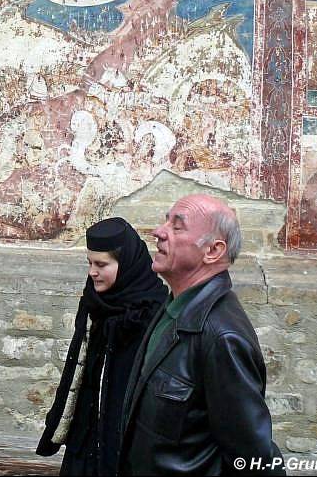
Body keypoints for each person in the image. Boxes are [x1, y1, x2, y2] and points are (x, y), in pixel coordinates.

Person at [118, 194, 285, 475]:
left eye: (177, 226)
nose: (158, 232)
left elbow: (253, 458)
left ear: (213, 251)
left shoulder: (222, 337)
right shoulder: (175, 305)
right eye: (165, 221)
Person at [38, 217, 167, 476]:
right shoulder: (94, 301)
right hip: (85, 439)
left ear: (127, 264)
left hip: (126, 448)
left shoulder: (153, 312)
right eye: (89, 263)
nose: (92, 272)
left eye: (101, 264)